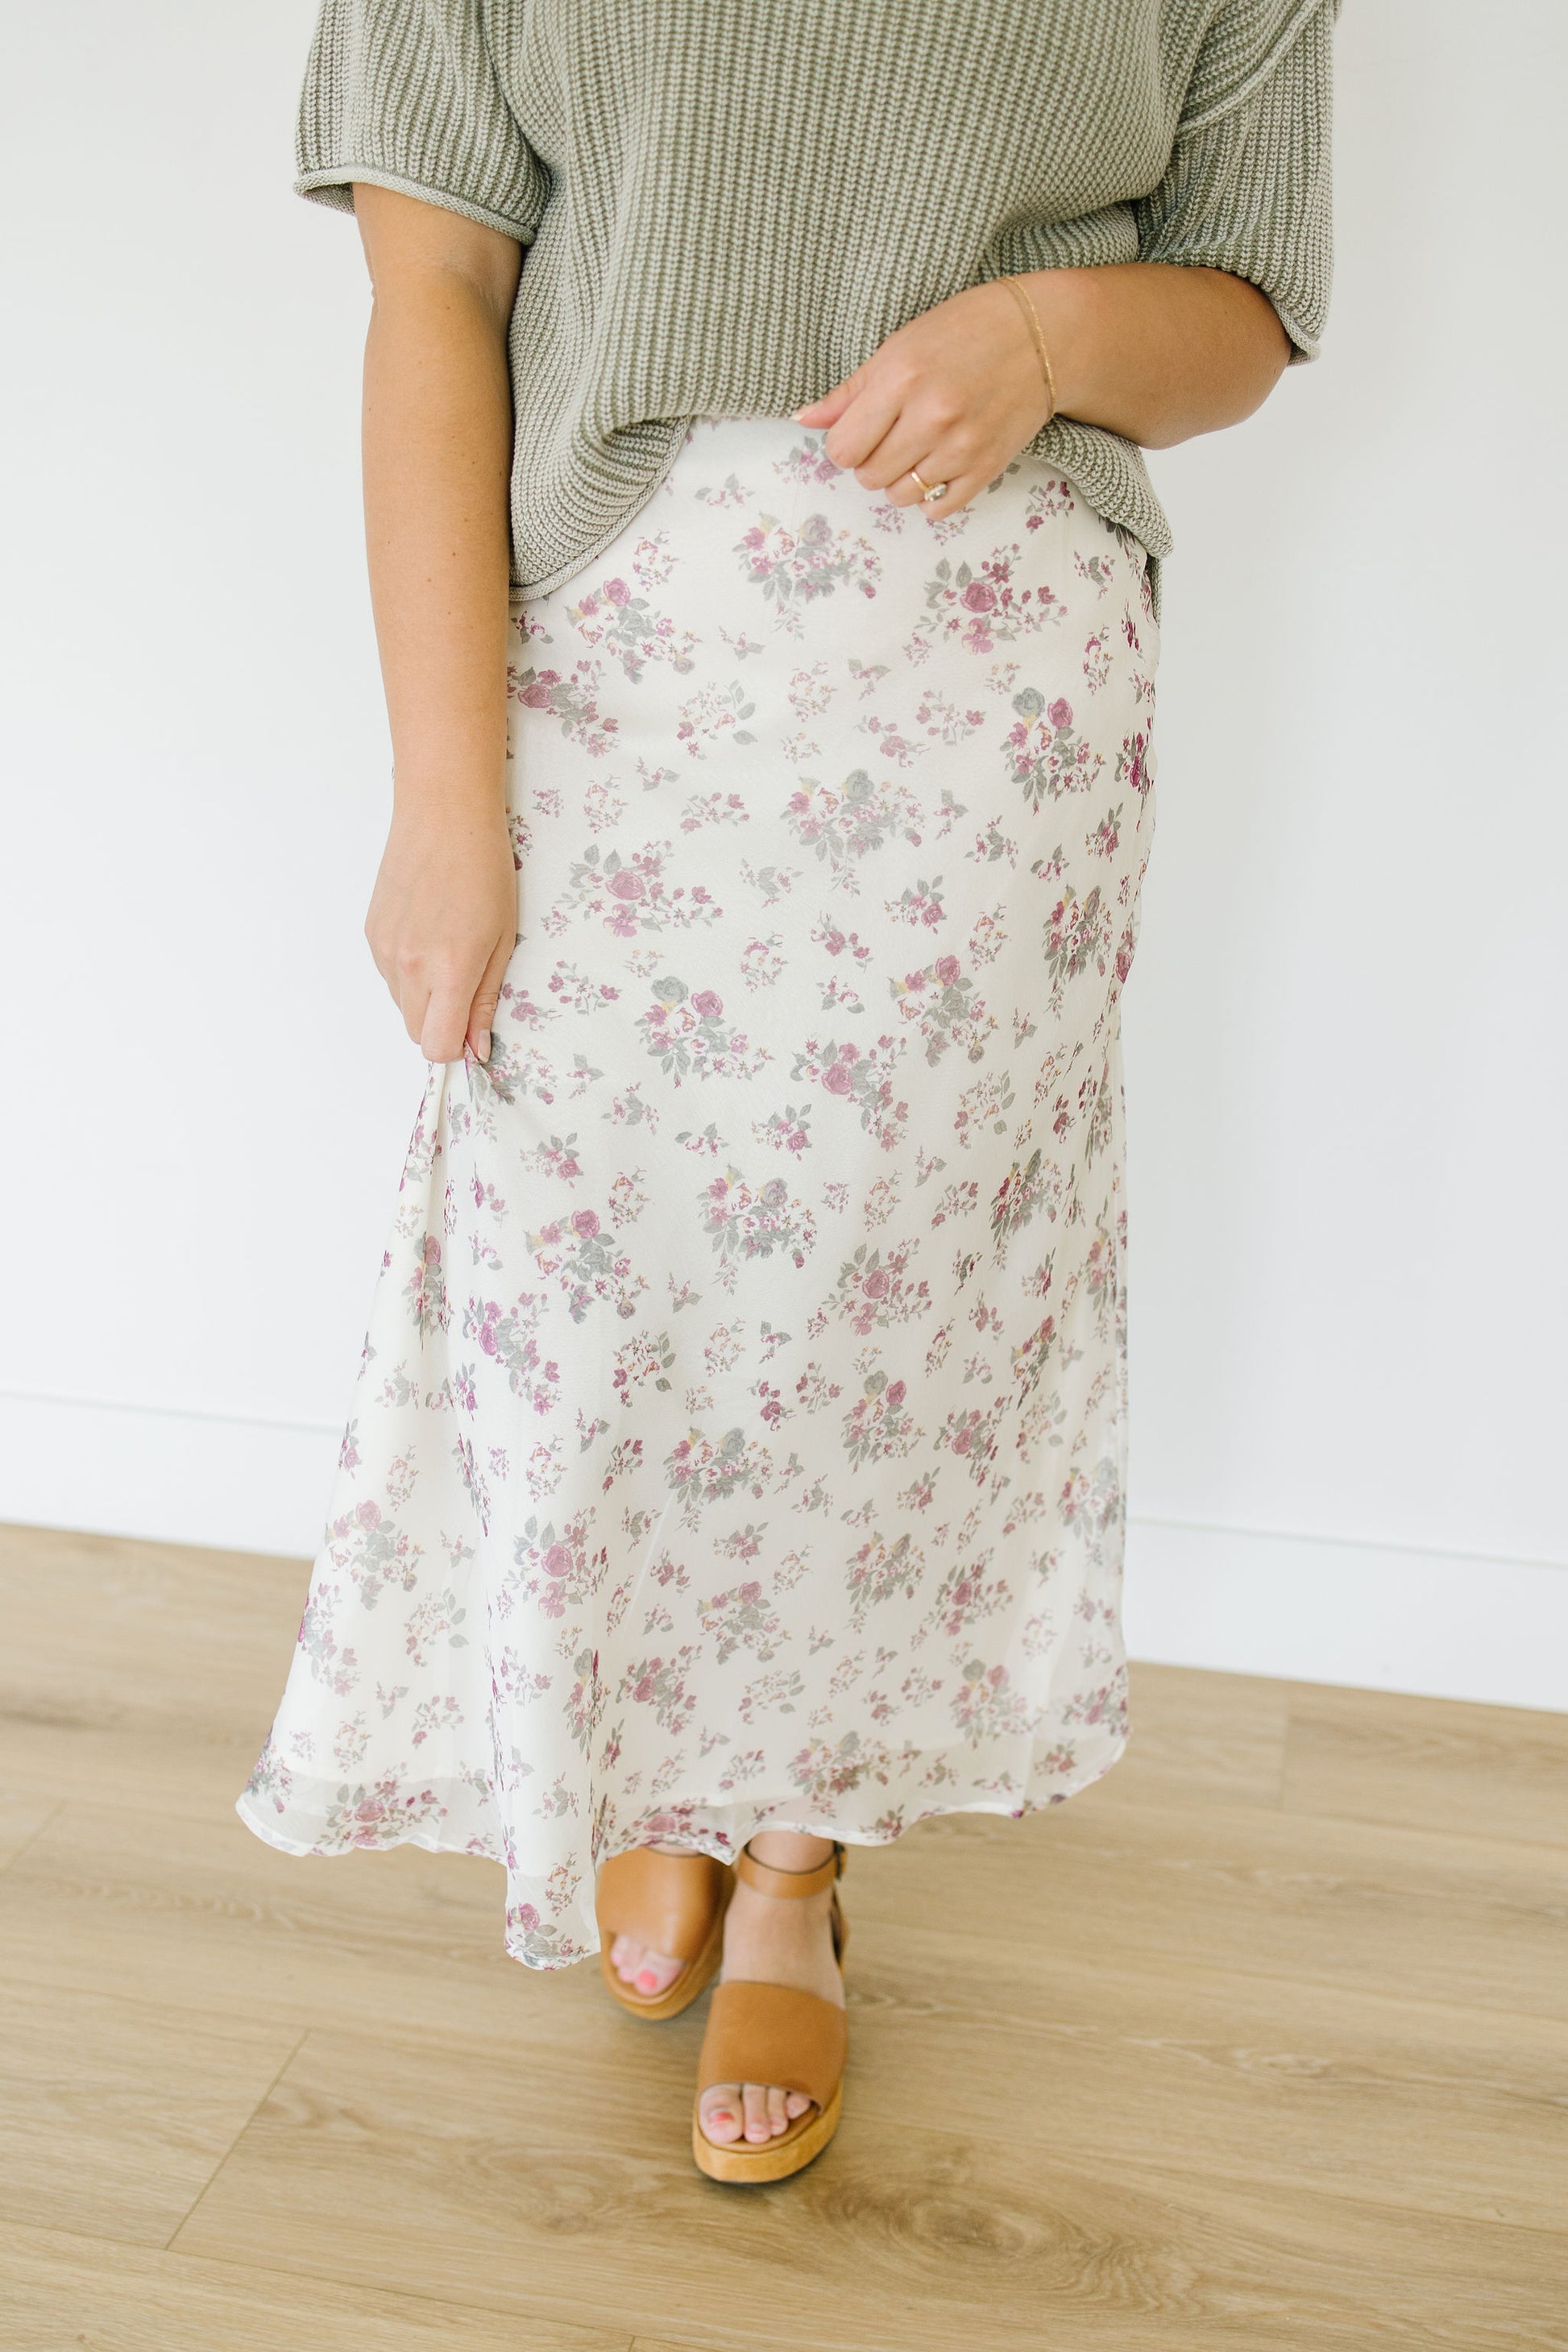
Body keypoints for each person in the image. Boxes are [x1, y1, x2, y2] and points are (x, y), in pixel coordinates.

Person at [239, 0, 1336, 2182]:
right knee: (596, 1298)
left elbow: (1246, 303)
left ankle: (793, 1856)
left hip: (982, 694)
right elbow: (433, 280)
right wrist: (446, 797)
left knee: (873, 1314)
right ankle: (646, 1773)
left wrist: (1038, 335)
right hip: (605, 671)